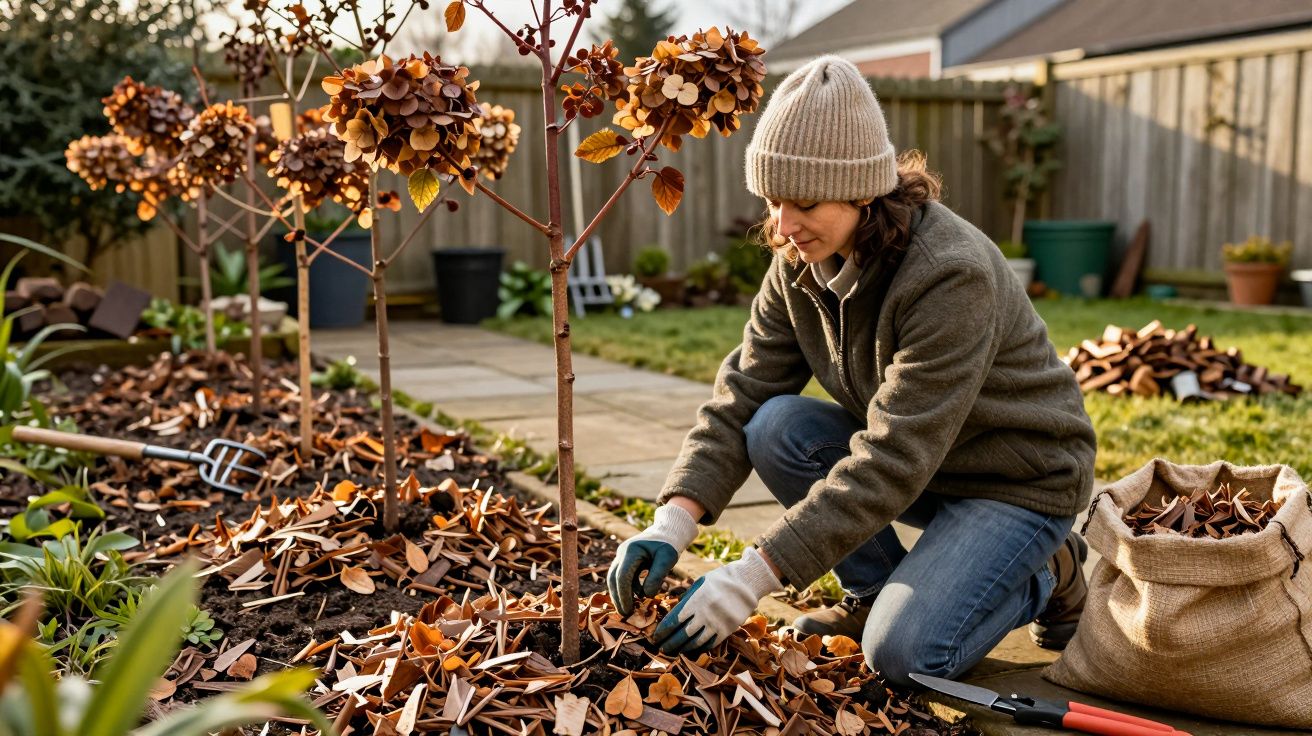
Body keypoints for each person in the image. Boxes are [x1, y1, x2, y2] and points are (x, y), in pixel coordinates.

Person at [604, 55, 1097, 685]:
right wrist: (672, 521)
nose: (783, 227)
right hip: (926, 469)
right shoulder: (799, 258)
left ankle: (1049, 568)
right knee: (774, 422)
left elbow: (894, 455)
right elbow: (744, 391)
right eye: (773, 201)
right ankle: (875, 593)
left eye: (805, 202)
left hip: (1015, 481)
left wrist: (751, 576)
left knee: (904, 657)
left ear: (865, 190)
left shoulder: (949, 274)